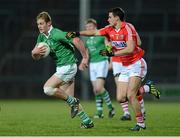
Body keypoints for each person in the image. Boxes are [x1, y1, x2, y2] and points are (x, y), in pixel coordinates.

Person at [66, 7, 160, 131]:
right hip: (125, 66)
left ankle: (140, 123)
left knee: (131, 95)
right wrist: (77, 33)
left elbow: (131, 48)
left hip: (137, 63)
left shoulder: (127, 28)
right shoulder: (109, 29)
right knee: (121, 98)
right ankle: (147, 87)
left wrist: (112, 54)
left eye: (110, 17)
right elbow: (94, 32)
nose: (108, 19)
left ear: (117, 17)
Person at [31, 11, 94, 129]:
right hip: (62, 67)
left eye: (41, 23)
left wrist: (85, 57)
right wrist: (34, 53)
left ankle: (73, 102)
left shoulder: (57, 33)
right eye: (38, 24)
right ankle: (87, 121)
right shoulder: (41, 37)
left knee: (48, 89)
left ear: (49, 23)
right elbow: (36, 56)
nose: (39, 26)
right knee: (69, 99)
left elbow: (76, 40)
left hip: (68, 66)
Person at [84, 18, 115, 118]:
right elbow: (87, 53)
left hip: (102, 62)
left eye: (90, 26)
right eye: (87, 27)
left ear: (94, 27)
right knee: (95, 90)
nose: (88, 28)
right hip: (93, 64)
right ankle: (100, 112)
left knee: (99, 87)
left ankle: (111, 107)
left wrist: (111, 61)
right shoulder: (88, 40)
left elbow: (109, 47)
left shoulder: (102, 36)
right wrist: (85, 62)